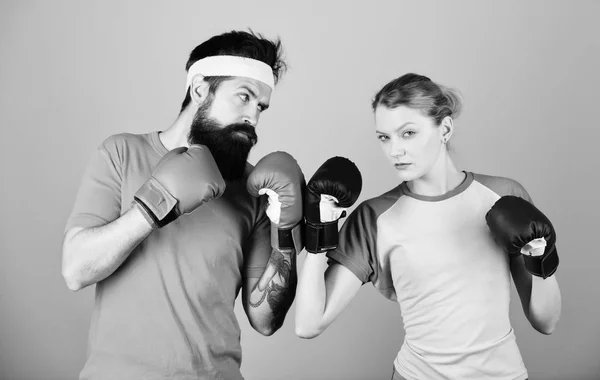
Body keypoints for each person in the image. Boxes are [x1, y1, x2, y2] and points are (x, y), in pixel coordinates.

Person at [61, 30, 305, 380]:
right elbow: (75, 270)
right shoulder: (121, 154)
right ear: (200, 89)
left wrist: (285, 233)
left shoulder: (253, 188)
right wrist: (152, 207)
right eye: (244, 97)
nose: (253, 116)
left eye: (260, 107)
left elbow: (265, 319)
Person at [295, 73, 562, 380]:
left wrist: (542, 256)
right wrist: (319, 228)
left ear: (445, 129)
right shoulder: (375, 217)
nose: (394, 150)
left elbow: (546, 322)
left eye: (408, 133)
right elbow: (308, 325)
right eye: (384, 137)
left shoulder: (503, 197)